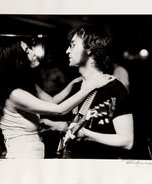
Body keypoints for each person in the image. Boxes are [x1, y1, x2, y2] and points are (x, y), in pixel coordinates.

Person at [0, 39, 113, 159]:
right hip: (22, 156)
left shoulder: (26, 85)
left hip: (31, 152)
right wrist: (90, 87)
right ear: (16, 60)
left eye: (30, 48)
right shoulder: (16, 94)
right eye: (27, 51)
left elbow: (52, 101)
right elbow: (59, 110)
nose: (33, 52)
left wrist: (72, 84)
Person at [40, 26, 134, 159]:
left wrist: (87, 135)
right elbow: (80, 123)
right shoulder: (76, 86)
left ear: (90, 49)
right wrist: (58, 126)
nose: (67, 51)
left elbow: (127, 141)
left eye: (72, 45)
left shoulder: (114, 88)